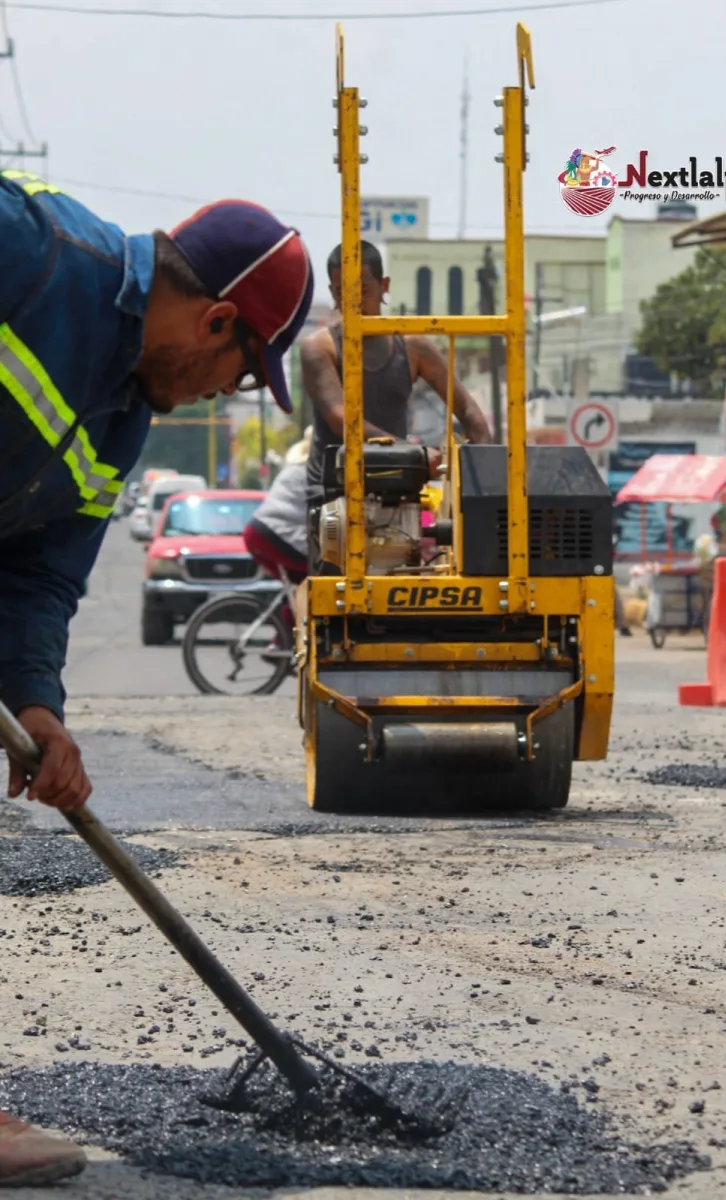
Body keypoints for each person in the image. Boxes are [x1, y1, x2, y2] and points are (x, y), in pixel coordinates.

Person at [0, 169, 313, 1186]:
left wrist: (40, 713)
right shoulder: (37, 253)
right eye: (241, 370)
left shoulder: (119, 418)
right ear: (217, 318)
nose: (228, 392)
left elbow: (41, 574)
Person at [300, 240, 493, 570]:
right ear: (332, 290)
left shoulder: (413, 346)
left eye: (362, 287)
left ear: (384, 285)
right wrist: (416, 456)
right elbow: (343, 421)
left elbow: (471, 414)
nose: (353, 298)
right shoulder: (320, 348)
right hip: (336, 497)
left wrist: (484, 480)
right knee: (340, 610)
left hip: (398, 496)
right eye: (341, 289)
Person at [243, 429, 310, 627]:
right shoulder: (312, 471)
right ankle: (288, 642)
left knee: (298, 586)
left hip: (258, 531)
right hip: (275, 533)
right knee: (321, 578)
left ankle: (284, 641)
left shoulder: (292, 469)